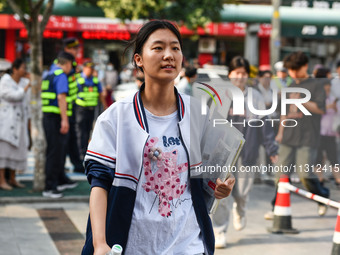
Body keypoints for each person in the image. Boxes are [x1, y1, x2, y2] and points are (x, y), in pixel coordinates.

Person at [81, 20, 235, 255]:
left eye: (175, 48)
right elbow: (99, 183)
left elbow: (206, 174)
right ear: (138, 59)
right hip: (133, 246)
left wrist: (219, 186)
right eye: (158, 48)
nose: (169, 55)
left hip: (188, 245)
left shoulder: (199, 114)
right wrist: (100, 243)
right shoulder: (115, 117)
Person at [211, 56, 278, 249]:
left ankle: (240, 209)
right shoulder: (221, 95)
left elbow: (264, 125)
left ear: (247, 76)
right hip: (223, 152)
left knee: (242, 192)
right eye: (236, 73)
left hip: (247, 150)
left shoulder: (255, 96)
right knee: (222, 194)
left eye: (243, 73)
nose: (239, 77)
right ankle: (220, 231)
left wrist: (271, 149)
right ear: (230, 74)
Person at [269, 51, 330, 218]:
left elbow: (321, 109)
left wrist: (302, 100)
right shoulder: (289, 86)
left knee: (305, 175)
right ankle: (276, 206)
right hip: (288, 136)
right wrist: (280, 132)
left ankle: (323, 197)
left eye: (296, 69)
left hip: (308, 137)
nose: (293, 73)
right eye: (290, 70)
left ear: (305, 66)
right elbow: (284, 113)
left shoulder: (317, 85)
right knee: (280, 174)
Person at [41, 52, 77, 198]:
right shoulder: (61, 75)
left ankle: (60, 180)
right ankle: (50, 187)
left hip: (48, 117)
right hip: (56, 119)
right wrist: (65, 120)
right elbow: (61, 97)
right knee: (55, 153)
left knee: (58, 151)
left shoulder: (48, 73)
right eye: (71, 65)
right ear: (67, 63)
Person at [0, 59, 30, 190]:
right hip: (6, 120)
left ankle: (12, 178)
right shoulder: (5, 80)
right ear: (15, 69)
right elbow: (13, 96)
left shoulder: (24, 82)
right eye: (23, 67)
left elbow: (28, 101)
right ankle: (2, 180)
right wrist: (27, 87)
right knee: (4, 151)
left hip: (20, 120)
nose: (25, 70)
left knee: (17, 151)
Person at [75, 60, 107, 159]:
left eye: (92, 69)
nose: (91, 70)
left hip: (91, 109)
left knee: (88, 131)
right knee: (81, 132)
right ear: (84, 68)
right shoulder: (78, 79)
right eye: (89, 68)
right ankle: (80, 153)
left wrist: (105, 107)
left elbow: (100, 94)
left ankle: (85, 152)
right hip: (81, 109)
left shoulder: (95, 81)